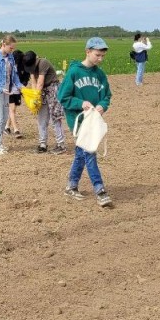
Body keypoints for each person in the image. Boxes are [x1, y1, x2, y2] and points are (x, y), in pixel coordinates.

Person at [58, 37, 113, 207]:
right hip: (78, 120)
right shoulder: (74, 72)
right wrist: (80, 103)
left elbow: (106, 96)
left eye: (103, 56)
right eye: (97, 55)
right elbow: (63, 97)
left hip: (94, 120)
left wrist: (102, 106)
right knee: (89, 152)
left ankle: (71, 186)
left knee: (82, 153)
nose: (100, 59)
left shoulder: (100, 74)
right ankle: (100, 189)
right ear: (87, 51)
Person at [22, 50, 67, 154]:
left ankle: (61, 145)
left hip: (52, 89)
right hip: (41, 91)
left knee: (55, 117)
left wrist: (36, 96)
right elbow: (34, 81)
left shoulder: (43, 63)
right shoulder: (31, 66)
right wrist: (35, 97)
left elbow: (40, 82)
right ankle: (42, 144)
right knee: (41, 118)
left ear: (35, 60)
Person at [0, 35, 22, 155]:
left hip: (8, 91)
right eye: (11, 48)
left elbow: (15, 74)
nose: (12, 50)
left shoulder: (11, 57)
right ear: (4, 45)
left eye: (13, 48)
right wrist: (0, 88)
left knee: (5, 116)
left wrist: (19, 85)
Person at [6, 49, 28, 137]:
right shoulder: (9, 66)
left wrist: (23, 88)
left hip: (18, 91)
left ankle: (7, 126)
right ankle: (16, 130)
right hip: (10, 91)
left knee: (13, 109)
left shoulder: (22, 67)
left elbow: (25, 78)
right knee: (12, 109)